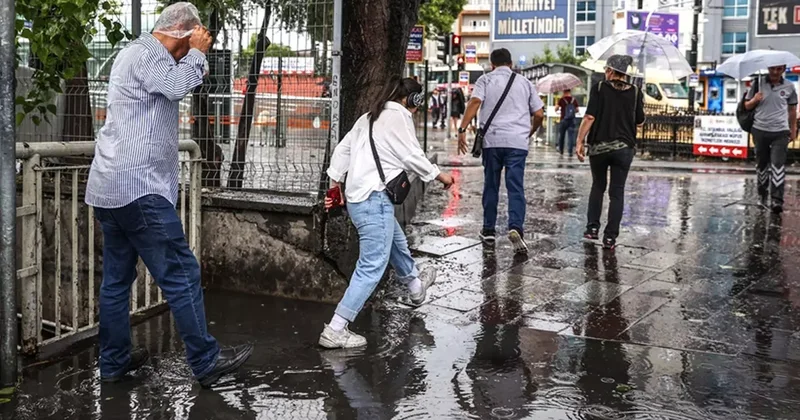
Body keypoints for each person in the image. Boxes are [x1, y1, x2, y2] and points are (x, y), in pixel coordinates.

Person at [85, 2, 252, 387]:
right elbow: (178, 85)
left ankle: (114, 361)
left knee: (116, 281)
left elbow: (177, 81)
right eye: (188, 43)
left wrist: (192, 56)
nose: (186, 54)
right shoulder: (149, 54)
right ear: (181, 32)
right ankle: (206, 360)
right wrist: (197, 51)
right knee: (181, 273)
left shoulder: (135, 55)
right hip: (139, 188)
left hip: (111, 188)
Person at [322, 76, 455, 348]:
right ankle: (336, 328)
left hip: (358, 200)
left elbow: (343, 150)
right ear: (412, 99)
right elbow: (411, 155)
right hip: (375, 200)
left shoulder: (368, 117)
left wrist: (335, 184)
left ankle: (416, 288)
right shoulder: (399, 117)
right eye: (417, 103)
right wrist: (438, 175)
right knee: (371, 265)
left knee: (396, 242)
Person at [457, 48, 545, 254]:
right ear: (511, 63)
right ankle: (516, 227)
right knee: (515, 187)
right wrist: (529, 132)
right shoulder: (525, 83)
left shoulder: (485, 80)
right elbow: (539, 114)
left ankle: (489, 229)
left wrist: (462, 129)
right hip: (517, 143)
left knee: (491, 185)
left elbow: (475, 102)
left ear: (492, 64)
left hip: (492, 141)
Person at [575, 54, 645, 250]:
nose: (605, 73)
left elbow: (589, 117)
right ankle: (610, 238)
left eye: (606, 69)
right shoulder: (636, 92)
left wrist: (579, 141)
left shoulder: (599, 88)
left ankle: (592, 229)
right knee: (617, 191)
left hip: (599, 147)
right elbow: (640, 121)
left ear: (612, 71)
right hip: (624, 148)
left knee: (598, 186)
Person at [745, 65, 798, 213]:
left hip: (780, 132)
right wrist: (755, 100)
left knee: (777, 165)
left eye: (779, 69)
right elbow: (746, 106)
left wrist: (793, 129)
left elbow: (792, 110)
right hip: (760, 130)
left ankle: (777, 200)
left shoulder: (789, 86)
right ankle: (762, 194)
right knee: (762, 165)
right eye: (773, 69)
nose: (775, 72)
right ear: (768, 68)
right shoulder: (757, 83)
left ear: (783, 69)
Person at [555, 89, 580, 156]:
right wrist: (571, 111)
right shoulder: (574, 100)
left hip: (563, 119)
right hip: (572, 120)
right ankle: (570, 151)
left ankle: (561, 150)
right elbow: (577, 110)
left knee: (562, 135)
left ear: (564, 92)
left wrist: (559, 106)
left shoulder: (562, 100)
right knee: (571, 136)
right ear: (570, 92)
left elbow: (556, 109)